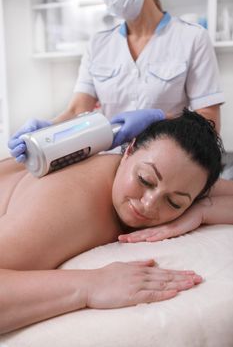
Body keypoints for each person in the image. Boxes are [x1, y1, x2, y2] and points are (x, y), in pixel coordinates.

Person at [1, 109, 232, 334]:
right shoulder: (68, 209)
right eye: (145, 180)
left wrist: (201, 213)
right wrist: (90, 286)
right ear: (128, 151)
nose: (149, 204)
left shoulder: (176, 174)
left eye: (174, 203)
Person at [8, 0, 224, 162]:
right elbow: (76, 111)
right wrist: (46, 131)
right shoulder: (98, 45)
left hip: (165, 165)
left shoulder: (193, 38)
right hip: (108, 163)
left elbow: (209, 122)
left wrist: (159, 119)